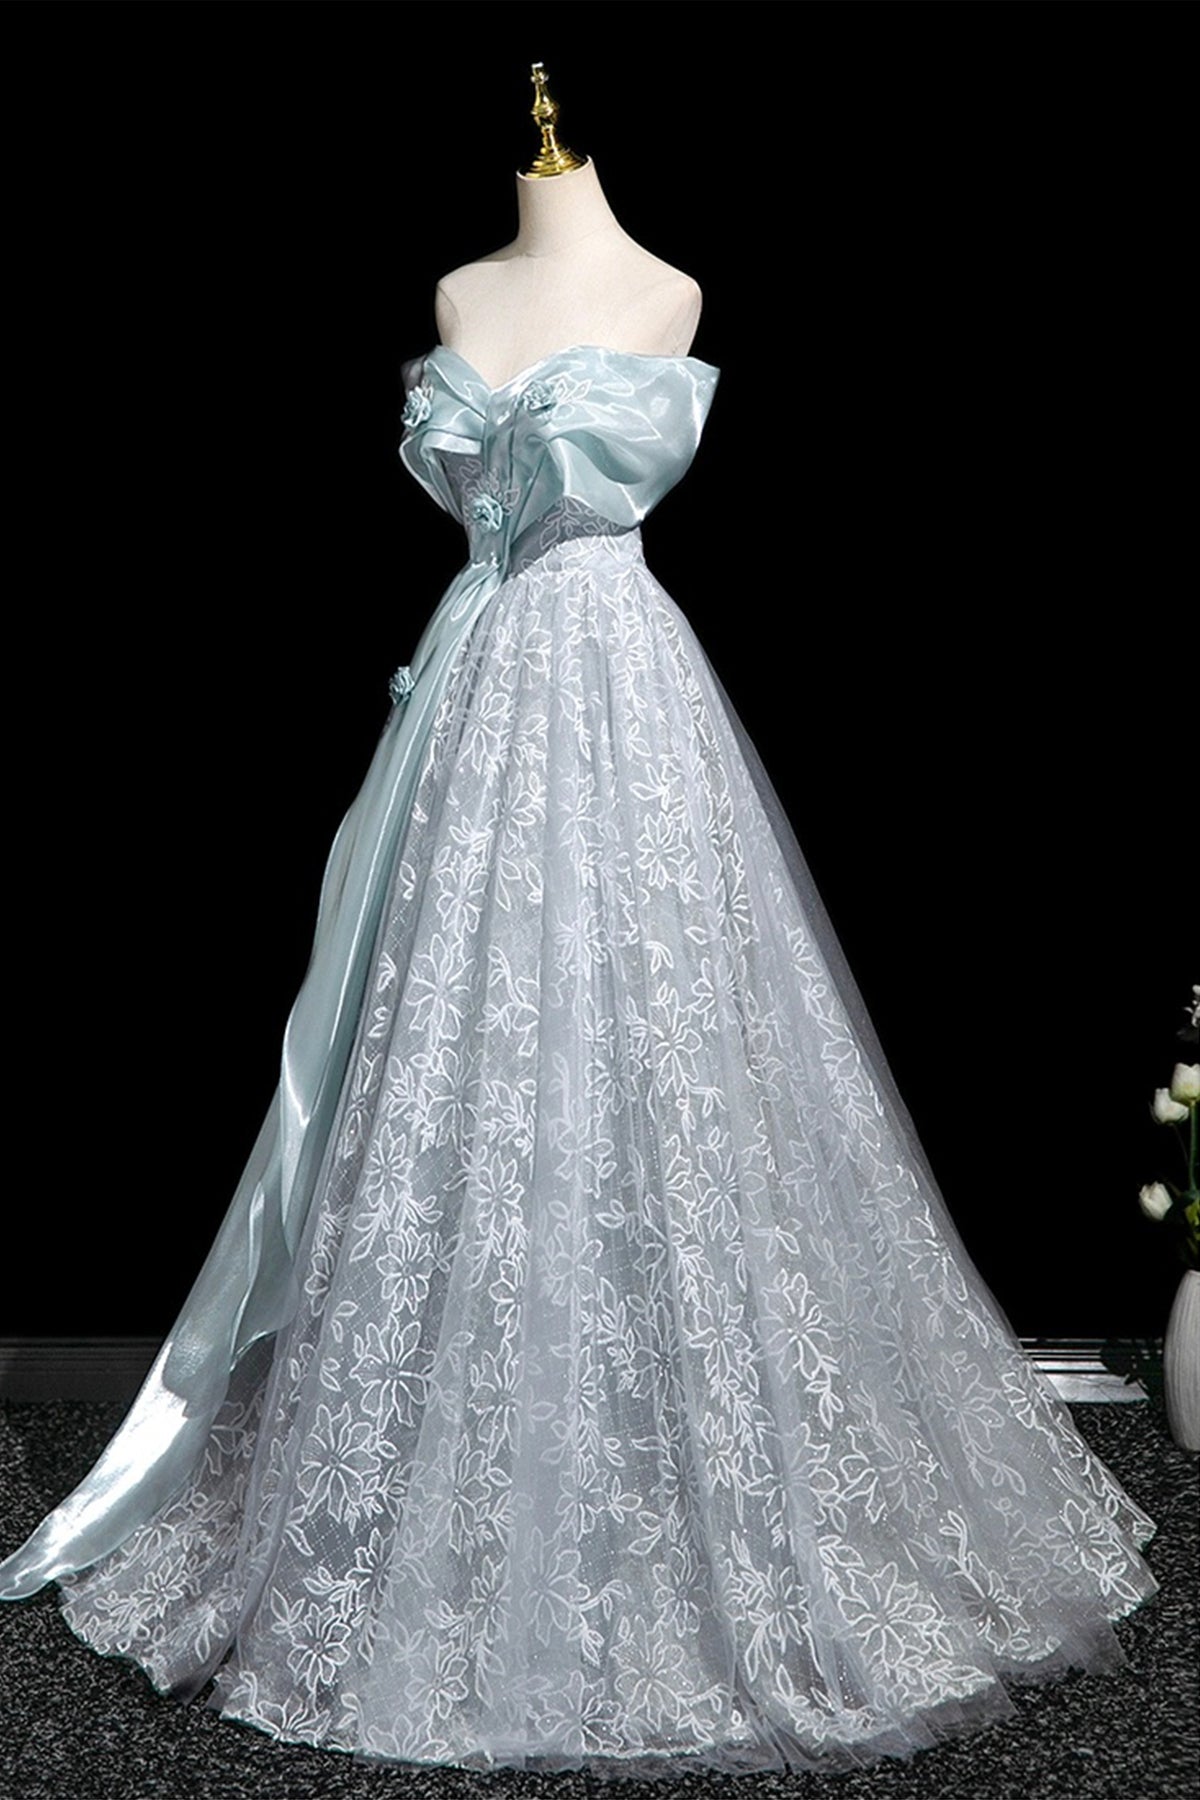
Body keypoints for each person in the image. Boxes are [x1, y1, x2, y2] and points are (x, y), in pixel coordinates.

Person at [0, 84, 1159, 1779]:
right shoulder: (462, 291)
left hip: (622, 683)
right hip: (479, 692)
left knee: (663, 1046)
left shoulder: (667, 288)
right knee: (460, 1062)